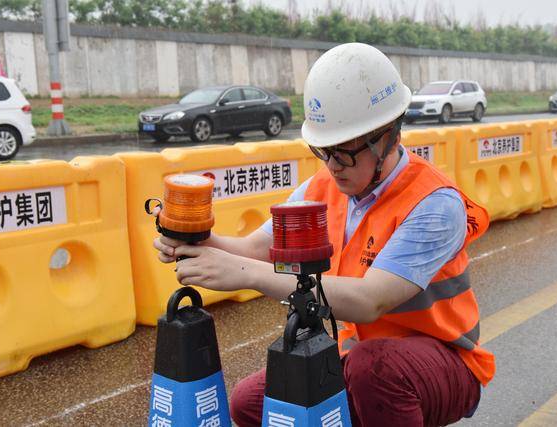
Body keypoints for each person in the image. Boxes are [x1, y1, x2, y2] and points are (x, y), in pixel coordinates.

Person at [153, 42, 495, 427]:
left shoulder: (434, 205)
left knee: (375, 371)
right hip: (360, 356)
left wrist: (246, 276)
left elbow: (370, 301)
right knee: (250, 403)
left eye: (344, 152)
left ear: (389, 136)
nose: (332, 166)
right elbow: (254, 248)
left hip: (444, 363)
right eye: (323, 150)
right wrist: (195, 240)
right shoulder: (323, 188)